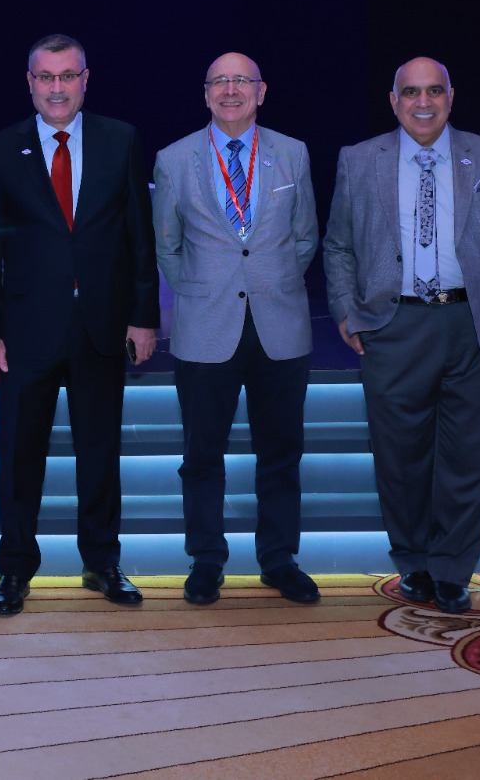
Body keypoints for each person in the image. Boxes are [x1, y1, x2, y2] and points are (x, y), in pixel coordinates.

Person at [323, 57, 480, 614]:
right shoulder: (359, 160)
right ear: (393, 101)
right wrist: (346, 312)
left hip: (473, 325)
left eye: (434, 91)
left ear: (451, 97)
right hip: (394, 327)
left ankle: (452, 568)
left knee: (469, 457)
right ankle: (413, 561)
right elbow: (338, 245)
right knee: (400, 458)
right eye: (411, 92)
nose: (424, 103)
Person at [0, 33, 160, 616]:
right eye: (46, 77)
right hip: (24, 332)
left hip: (102, 327)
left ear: (85, 80)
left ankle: (102, 562)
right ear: (30, 83)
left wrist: (143, 317)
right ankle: (14, 570)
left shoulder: (120, 140)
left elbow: (139, 237)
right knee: (18, 460)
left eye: (67, 76)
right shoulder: (1, 149)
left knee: (100, 454)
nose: (57, 88)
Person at [152, 53, 320, 606]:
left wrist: (270, 281)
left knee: (282, 453)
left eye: (241, 81)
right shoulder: (173, 159)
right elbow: (167, 246)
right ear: (205, 94)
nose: (230, 90)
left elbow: (305, 237)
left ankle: (279, 559)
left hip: (280, 323)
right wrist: (204, 289)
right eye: (219, 81)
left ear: (261, 91)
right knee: (202, 455)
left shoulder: (292, 153)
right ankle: (206, 559)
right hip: (206, 326)